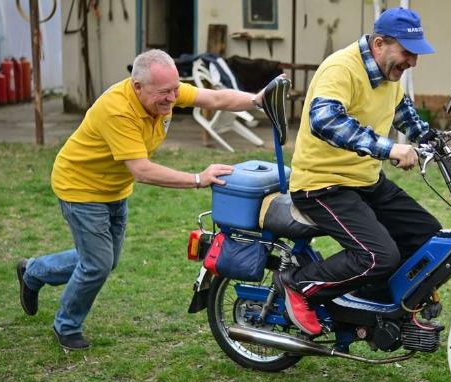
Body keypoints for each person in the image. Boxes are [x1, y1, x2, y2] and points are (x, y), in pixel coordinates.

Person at [16, 49, 267, 350]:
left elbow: (213, 99)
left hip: (114, 189)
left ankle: (33, 271)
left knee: (103, 262)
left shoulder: (165, 89)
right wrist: (199, 179)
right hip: (80, 188)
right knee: (97, 264)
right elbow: (142, 170)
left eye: (175, 90)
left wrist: (256, 99)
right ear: (138, 87)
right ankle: (66, 326)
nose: (172, 98)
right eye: (164, 93)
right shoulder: (118, 110)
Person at [275, 8, 441, 335]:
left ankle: (374, 305)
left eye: (416, 54)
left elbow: (405, 115)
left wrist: (432, 138)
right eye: (408, 52)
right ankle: (297, 285)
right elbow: (325, 121)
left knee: (428, 237)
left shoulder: (388, 75)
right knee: (377, 256)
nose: (413, 62)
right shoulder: (342, 69)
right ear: (379, 44)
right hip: (322, 185)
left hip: (364, 181)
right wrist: (390, 148)